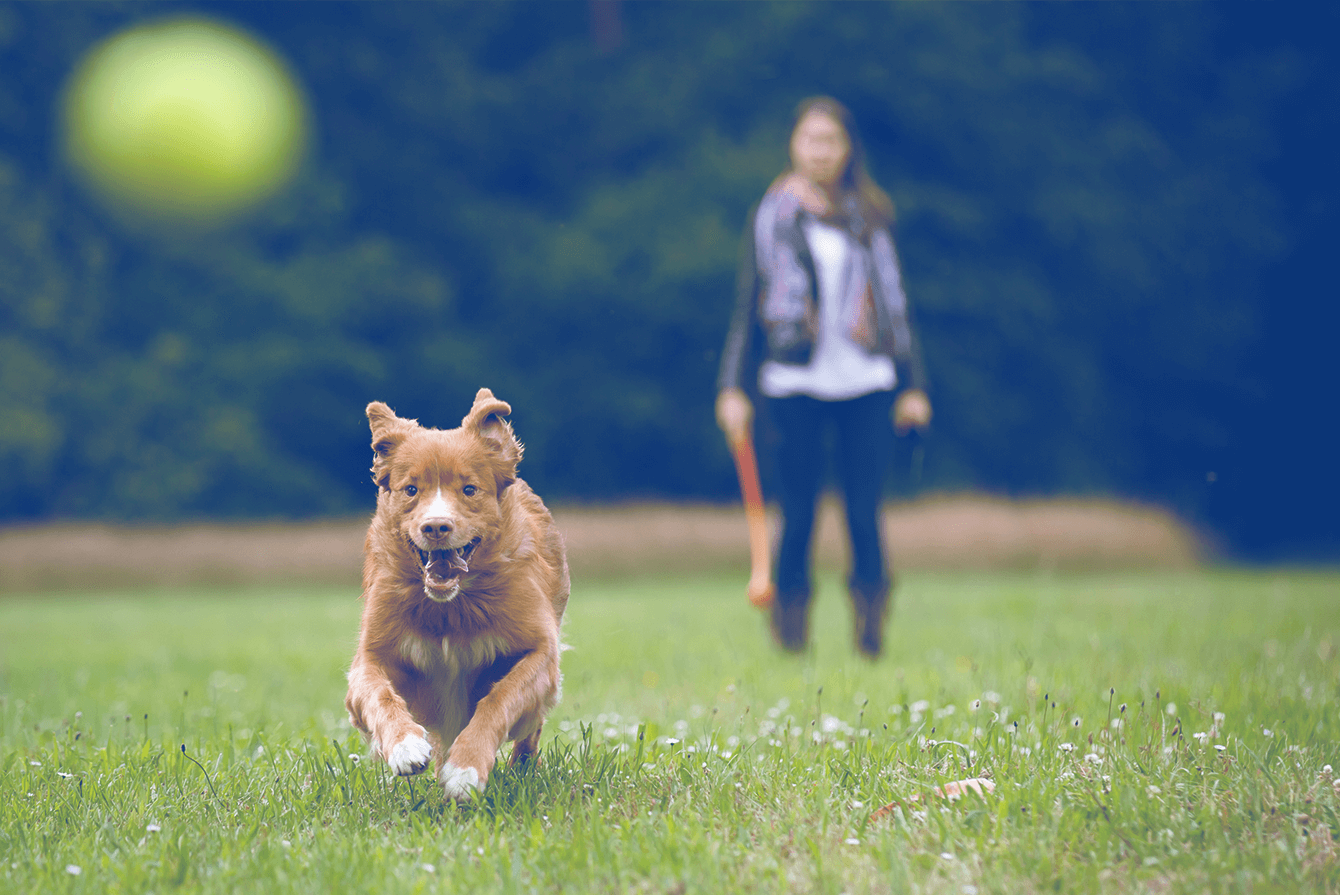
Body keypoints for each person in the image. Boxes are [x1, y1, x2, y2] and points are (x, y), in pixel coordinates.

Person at [716, 96, 932, 658]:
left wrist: (914, 385)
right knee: (800, 511)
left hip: (867, 379)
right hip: (793, 380)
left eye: (830, 141)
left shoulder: (870, 215)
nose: (820, 152)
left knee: (864, 511)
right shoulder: (773, 215)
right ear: (794, 145)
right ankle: (790, 636)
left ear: (847, 149)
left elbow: (895, 302)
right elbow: (748, 303)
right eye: (810, 140)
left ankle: (870, 630)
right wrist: (731, 386)